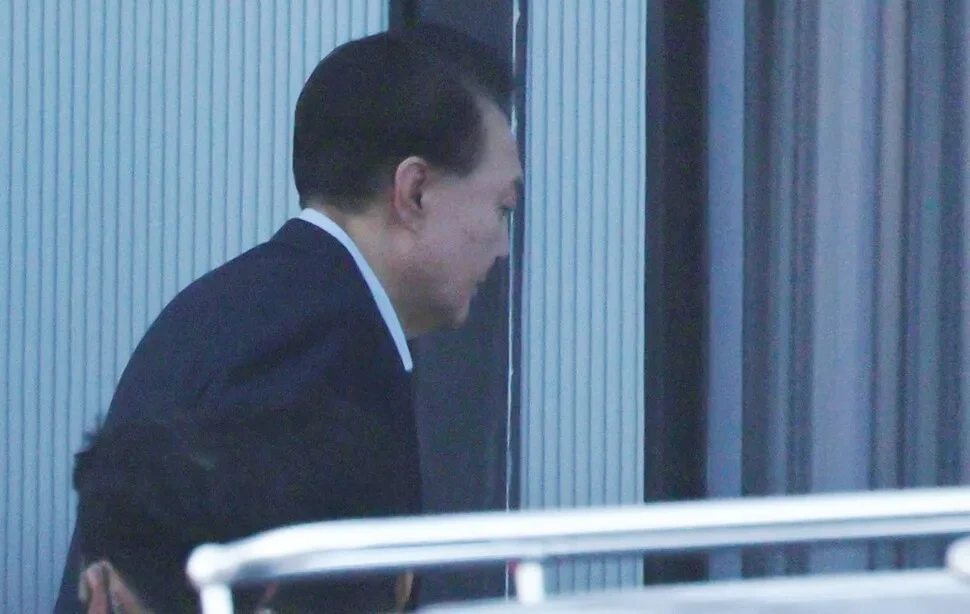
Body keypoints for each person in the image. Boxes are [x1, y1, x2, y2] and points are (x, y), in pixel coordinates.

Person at [55, 21, 522, 613]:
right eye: (503, 207)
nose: (503, 248)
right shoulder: (322, 346)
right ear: (415, 192)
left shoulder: (255, 303)